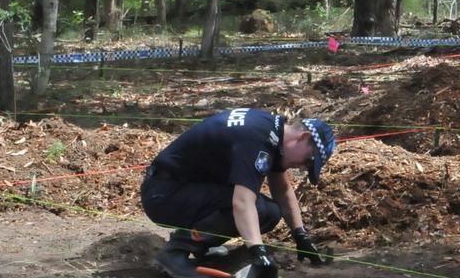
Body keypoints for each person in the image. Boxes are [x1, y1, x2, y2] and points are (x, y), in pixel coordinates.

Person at [140, 109, 336, 278]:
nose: (303, 168)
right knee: (258, 209)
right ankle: (175, 253)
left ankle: (199, 244)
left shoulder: (271, 131)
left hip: (181, 189)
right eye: (308, 161)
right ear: (303, 137)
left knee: (270, 212)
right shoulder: (258, 138)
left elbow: (282, 190)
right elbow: (242, 203)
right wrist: (259, 253)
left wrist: (301, 236)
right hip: (164, 194)